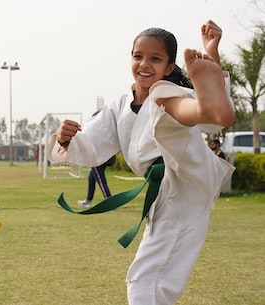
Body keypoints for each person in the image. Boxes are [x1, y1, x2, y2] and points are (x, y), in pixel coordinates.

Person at [48, 20, 235, 305]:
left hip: (184, 187)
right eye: (138, 56)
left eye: (155, 58)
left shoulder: (165, 93)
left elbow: (203, 120)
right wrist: (65, 139)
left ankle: (208, 98)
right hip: (164, 197)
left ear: (169, 67)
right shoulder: (120, 105)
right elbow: (91, 143)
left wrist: (209, 76)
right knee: (153, 284)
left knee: (145, 283)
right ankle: (209, 98)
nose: (144, 64)